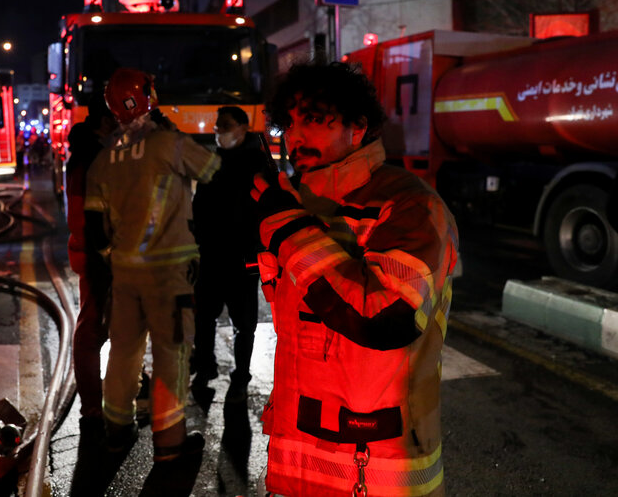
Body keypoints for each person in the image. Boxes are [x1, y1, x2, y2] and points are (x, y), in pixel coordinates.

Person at [252, 62, 458, 497]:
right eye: (288, 124)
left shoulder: (409, 206)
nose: (296, 137)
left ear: (358, 127)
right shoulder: (297, 206)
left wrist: (287, 228)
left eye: (314, 120)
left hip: (378, 473)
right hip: (298, 466)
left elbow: (386, 316)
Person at [84, 68, 220, 461]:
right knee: (171, 352)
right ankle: (169, 440)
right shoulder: (168, 144)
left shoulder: (103, 159)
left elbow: (96, 229)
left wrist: (116, 258)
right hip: (170, 277)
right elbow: (212, 169)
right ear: (147, 97)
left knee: (124, 352)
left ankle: (117, 429)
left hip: (125, 275)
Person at [191, 106, 267, 403]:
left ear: (242, 128)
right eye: (217, 125)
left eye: (225, 125)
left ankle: (242, 373)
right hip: (211, 252)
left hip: (242, 254)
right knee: (205, 316)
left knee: (244, 320)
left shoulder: (256, 162)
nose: (218, 130)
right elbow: (200, 204)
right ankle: (206, 366)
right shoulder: (214, 160)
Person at [66, 94, 117, 435]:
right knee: (93, 329)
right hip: (102, 254)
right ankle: (94, 409)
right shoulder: (95, 158)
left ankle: (99, 404)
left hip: (94, 252)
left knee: (100, 325)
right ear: (105, 123)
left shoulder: (85, 154)